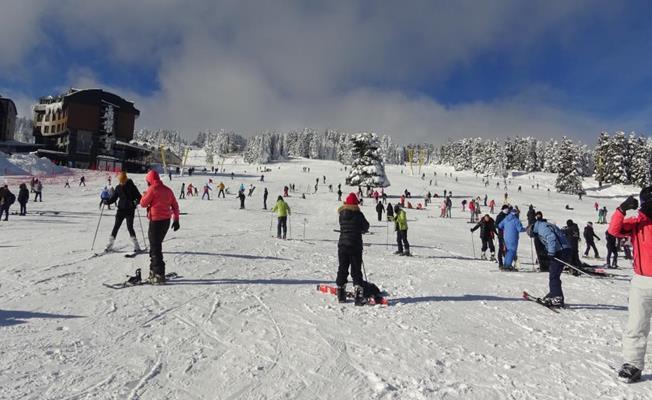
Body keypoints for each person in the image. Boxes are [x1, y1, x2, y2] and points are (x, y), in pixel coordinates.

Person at [607, 188, 652, 383]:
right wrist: (621, 209)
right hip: (641, 281)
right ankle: (633, 364)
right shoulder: (638, 222)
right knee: (636, 324)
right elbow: (614, 230)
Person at [139, 170, 180, 284]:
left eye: (148, 181)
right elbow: (175, 205)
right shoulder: (167, 190)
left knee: (155, 247)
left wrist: (145, 194)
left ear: (150, 180)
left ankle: (159, 274)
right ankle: (153, 271)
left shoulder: (152, 189)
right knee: (155, 246)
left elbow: (143, 203)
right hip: (166, 221)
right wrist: (176, 219)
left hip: (156, 221)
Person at [529, 214, 572, 307]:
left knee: (554, 275)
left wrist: (551, 252)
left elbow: (551, 237)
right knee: (554, 273)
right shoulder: (546, 225)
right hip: (564, 249)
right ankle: (554, 293)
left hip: (560, 251)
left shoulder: (541, 228)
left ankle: (557, 297)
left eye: (532, 234)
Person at [336, 193, 370, 305]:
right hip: (355, 245)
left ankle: (340, 292)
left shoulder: (341, 214)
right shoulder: (358, 214)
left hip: (343, 245)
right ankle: (358, 296)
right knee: (356, 270)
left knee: (342, 268)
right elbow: (366, 226)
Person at [104, 172, 143, 253]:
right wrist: (107, 201)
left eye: (123, 181)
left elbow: (140, 197)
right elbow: (114, 198)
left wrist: (136, 202)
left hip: (130, 210)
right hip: (120, 210)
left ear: (126, 179)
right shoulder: (118, 187)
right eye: (120, 181)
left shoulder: (132, 187)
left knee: (130, 227)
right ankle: (110, 244)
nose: (121, 183)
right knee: (116, 226)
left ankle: (136, 246)